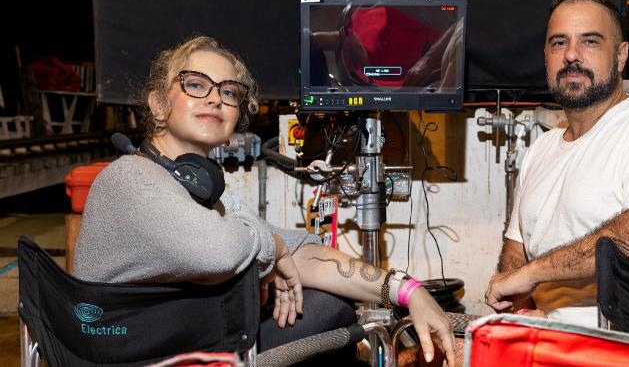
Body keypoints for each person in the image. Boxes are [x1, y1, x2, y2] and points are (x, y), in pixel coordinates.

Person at [73, 35, 455, 365]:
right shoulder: (129, 178)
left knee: (328, 307)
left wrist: (409, 290)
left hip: (186, 348)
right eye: (195, 84)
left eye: (227, 91)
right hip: (135, 357)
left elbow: (303, 253)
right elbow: (220, 251)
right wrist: (270, 245)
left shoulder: (205, 195)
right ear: (157, 104)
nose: (214, 98)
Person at [484, 0, 629, 327]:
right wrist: (521, 311)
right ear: (545, 55)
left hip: (620, 348)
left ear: (621, 55)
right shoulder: (542, 148)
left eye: (589, 41)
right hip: (545, 339)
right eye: (559, 42)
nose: (571, 55)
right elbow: (516, 252)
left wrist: (532, 274)